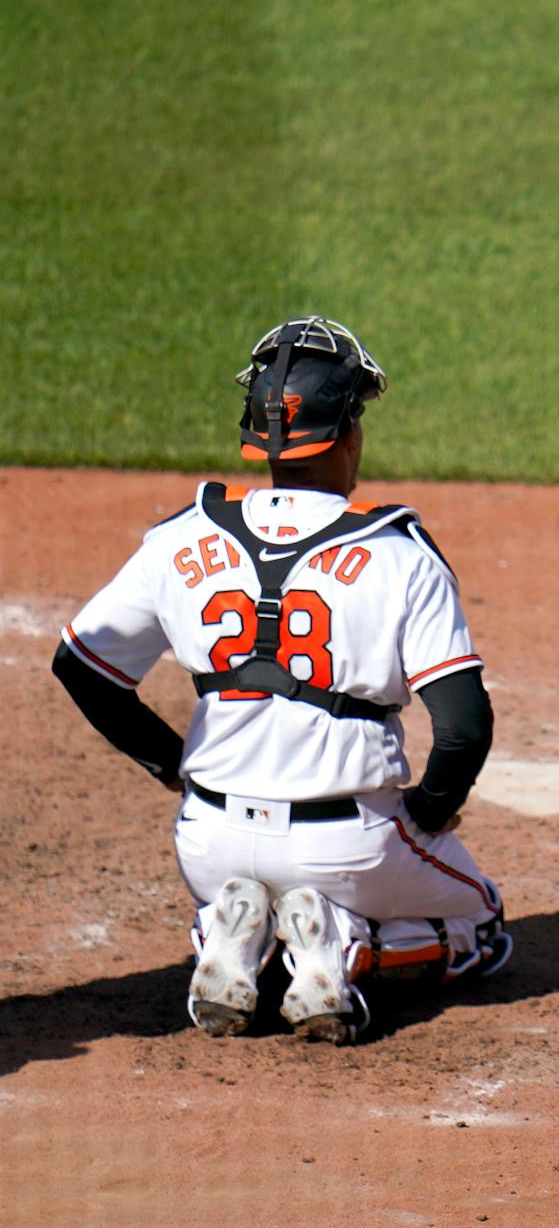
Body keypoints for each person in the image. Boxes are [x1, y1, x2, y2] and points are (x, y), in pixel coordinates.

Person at [51, 317, 509, 1044]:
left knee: (256, 874)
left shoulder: (179, 538)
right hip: (350, 844)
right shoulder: (400, 554)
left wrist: (170, 764)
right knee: (481, 926)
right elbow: (463, 727)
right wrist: (428, 810)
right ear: (348, 434)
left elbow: (80, 665)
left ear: (256, 437)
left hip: (209, 840)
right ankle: (343, 946)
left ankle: (229, 936)